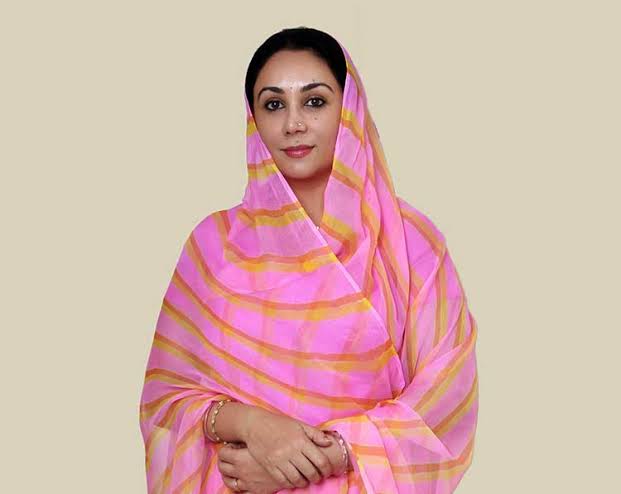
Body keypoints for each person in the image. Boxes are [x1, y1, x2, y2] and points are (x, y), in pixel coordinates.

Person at [139, 26, 479, 493]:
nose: (293, 124)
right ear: (253, 119)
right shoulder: (213, 246)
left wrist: (320, 458)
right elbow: (165, 401)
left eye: (314, 101)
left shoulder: (411, 244)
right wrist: (253, 425)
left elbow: (446, 400)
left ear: (349, 110)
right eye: (273, 105)